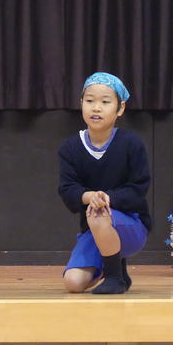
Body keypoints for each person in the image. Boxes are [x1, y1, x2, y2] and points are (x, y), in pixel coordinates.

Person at [58, 72, 150, 294]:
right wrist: (90, 196)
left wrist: (108, 198)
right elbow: (67, 189)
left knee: (99, 214)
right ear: (81, 103)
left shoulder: (131, 144)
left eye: (105, 102)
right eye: (90, 100)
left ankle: (114, 277)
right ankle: (116, 268)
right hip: (94, 229)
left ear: (120, 108)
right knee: (73, 283)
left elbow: (138, 188)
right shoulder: (70, 147)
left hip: (131, 225)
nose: (96, 108)